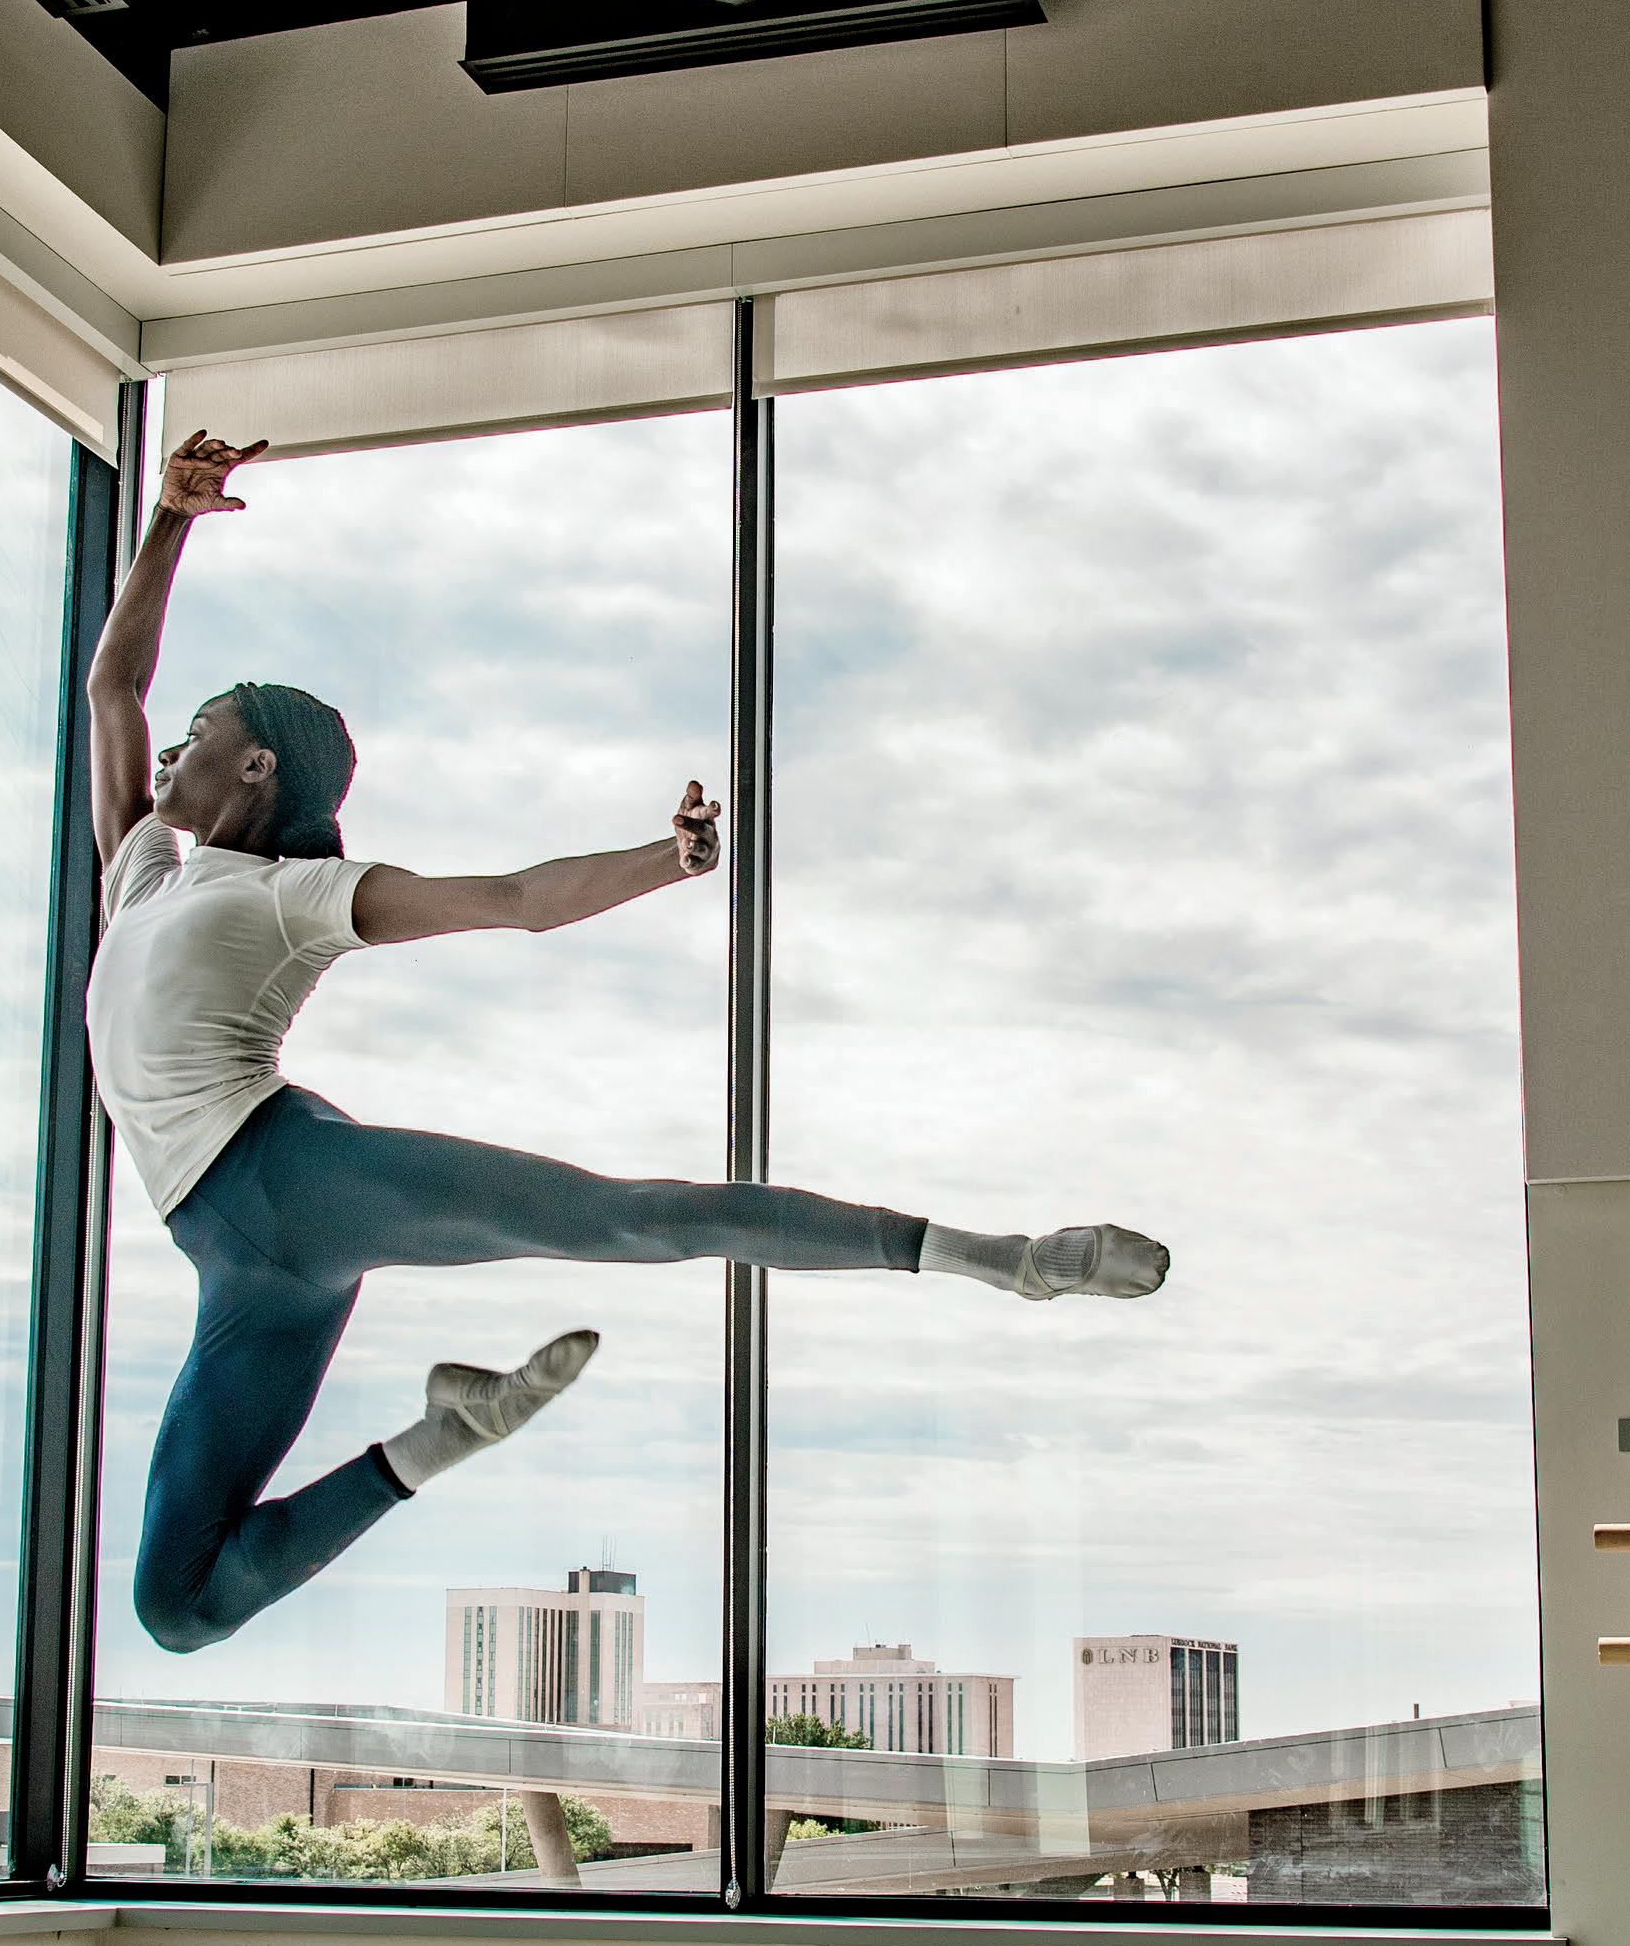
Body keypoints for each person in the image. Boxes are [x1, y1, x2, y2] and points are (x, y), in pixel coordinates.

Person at [88, 428, 1169, 1658]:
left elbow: (517, 899)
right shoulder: (142, 871)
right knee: (178, 1605)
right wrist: (170, 517)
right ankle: (442, 1434)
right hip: (232, 1256)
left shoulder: (289, 898)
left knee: (630, 1218)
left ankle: (1005, 1257)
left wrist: (671, 857)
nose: (169, 744)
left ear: (255, 763)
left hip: (283, 1176)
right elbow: (113, 688)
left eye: (200, 727)